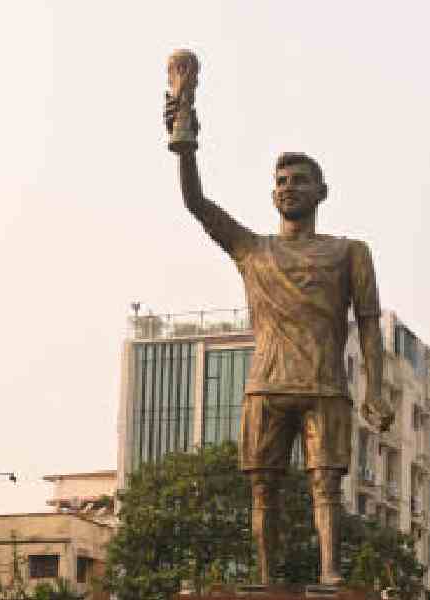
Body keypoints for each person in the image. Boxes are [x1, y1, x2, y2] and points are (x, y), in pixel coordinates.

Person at [165, 97, 394, 586]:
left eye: (300, 181)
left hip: (324, 385)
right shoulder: (252, 250)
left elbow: (370, 323)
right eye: (281, 182)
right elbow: (197, 205)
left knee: (326, 486)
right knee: (263, 490)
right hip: (265, 386)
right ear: (273, 195)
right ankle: (267, 579)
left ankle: (331, 574)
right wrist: (186, 147)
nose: (289, 189)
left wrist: (376, 390)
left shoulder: (350, 252)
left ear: (322, 191)